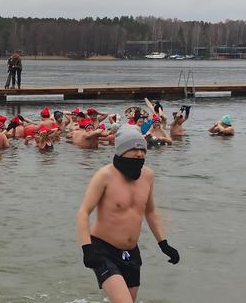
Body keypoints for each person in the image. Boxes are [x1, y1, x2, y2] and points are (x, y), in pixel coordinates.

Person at [76, 125, 180, 303]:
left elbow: (151, 211)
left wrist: (164, 244)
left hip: (131, 253)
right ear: (121, 149)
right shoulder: (105, 175)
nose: (139, 154)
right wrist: (87, 249)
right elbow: (83, 212)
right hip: (103, 250)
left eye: (142, 149)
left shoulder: (148, 176)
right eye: (133, 148)